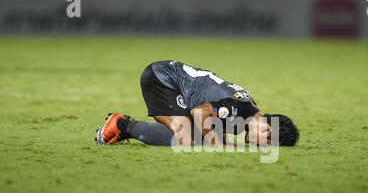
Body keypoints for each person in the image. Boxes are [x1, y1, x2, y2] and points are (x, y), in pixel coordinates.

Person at [95, 60, 299, 147]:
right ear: (268, 129)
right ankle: (121, 124)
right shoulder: (241, 110)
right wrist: (219, 145)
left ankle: (127, 126)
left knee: (198, 137)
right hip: (162, 79)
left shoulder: (247, 110)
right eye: (267, 142)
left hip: (169, 78)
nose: (260, 145)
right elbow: (199, 112)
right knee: (187, 140)